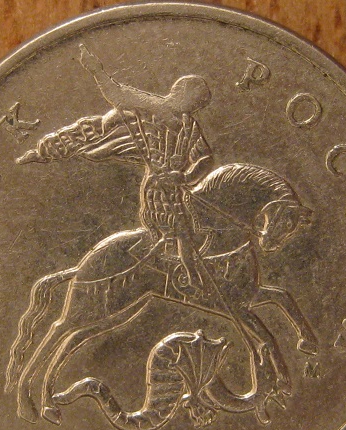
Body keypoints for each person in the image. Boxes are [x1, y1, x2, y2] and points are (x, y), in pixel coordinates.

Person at [18, 44, 214, 292]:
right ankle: (190, 277)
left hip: (177, 186)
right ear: (181, 93)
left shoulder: (189, 125)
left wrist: (185, 177)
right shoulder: (149, 106)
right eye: (197, 101)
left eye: (200, 105)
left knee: (198, 221)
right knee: (181, 229)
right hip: (157, 188)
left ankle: (178, 266)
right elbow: (117, 93)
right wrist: (96, 71)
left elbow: (205, 158)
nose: (197, 107)